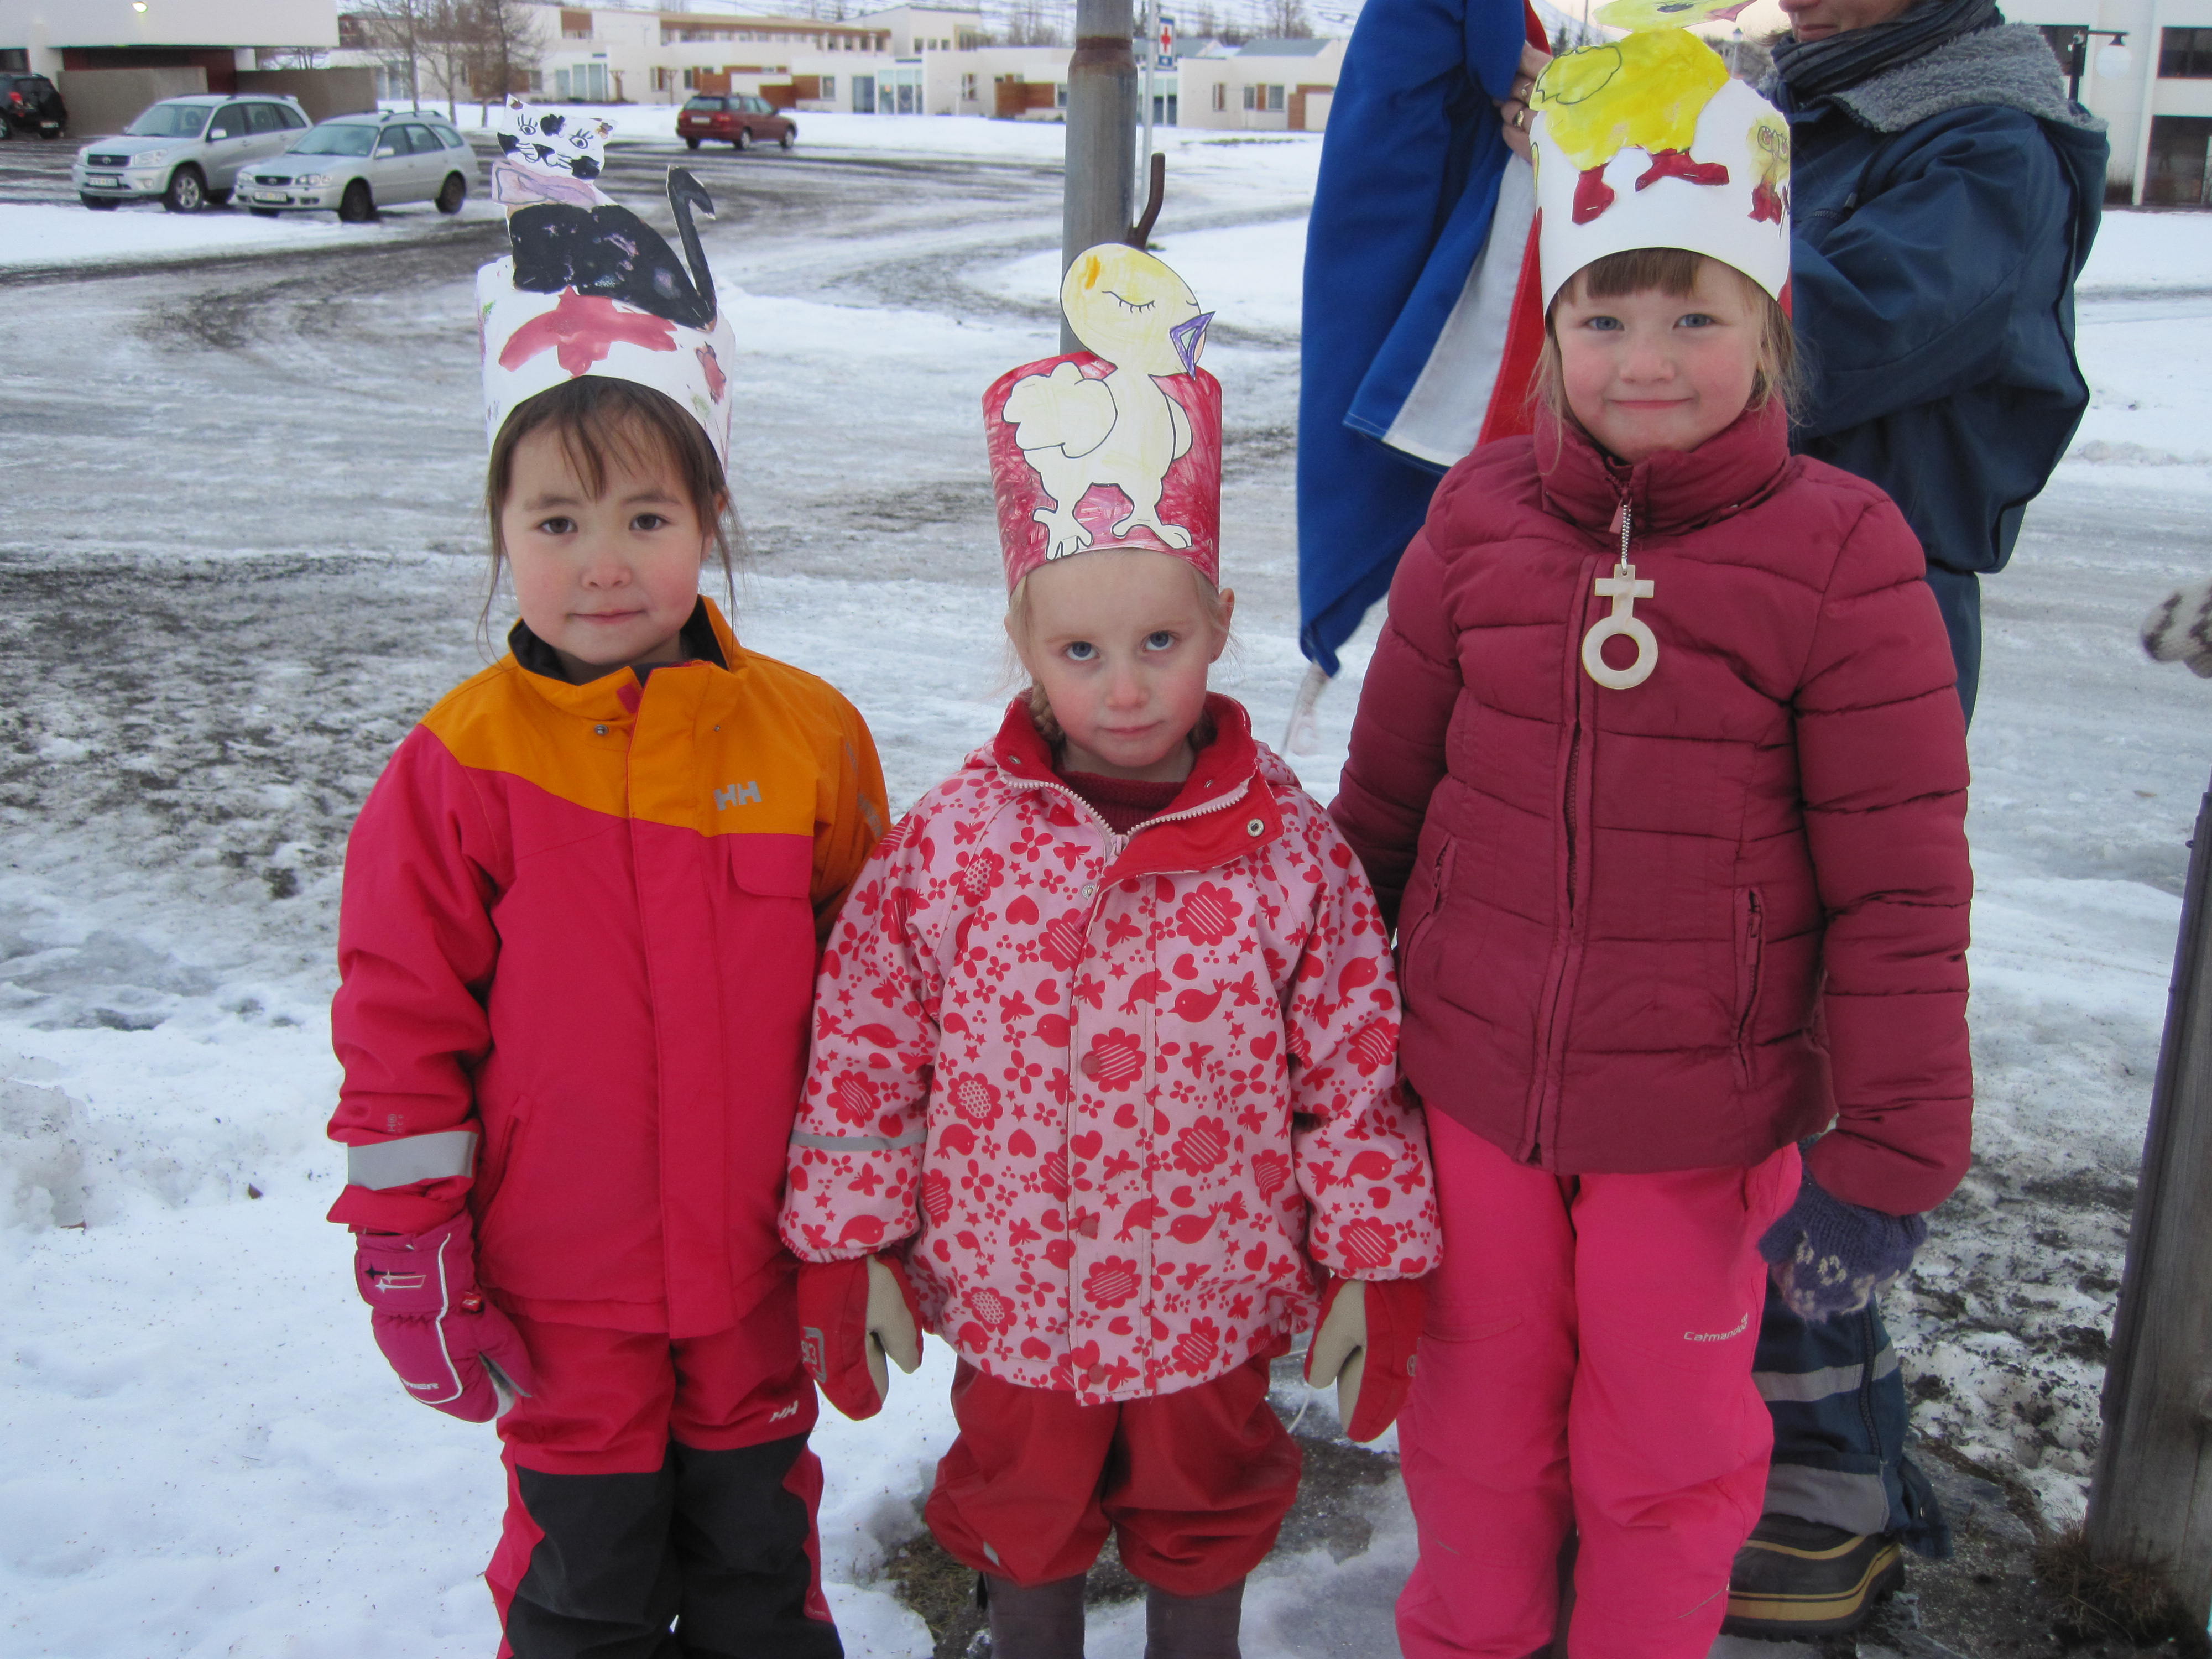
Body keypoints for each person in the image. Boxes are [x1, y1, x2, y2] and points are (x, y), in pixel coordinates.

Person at [1332, 27, 1974, 1656]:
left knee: (1665, 1459)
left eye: (1697, 317)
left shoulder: (1843, 555)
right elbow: (1383, 809)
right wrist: (1318, 1054)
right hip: (1471, 1096)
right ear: (1551, 329)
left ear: (1771, 331)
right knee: (1477, 1434)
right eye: (1604, 316)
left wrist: (1889, 1159)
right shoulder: (1476, 518)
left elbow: (1900, 887)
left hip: (1699, 1120)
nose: (1647, 360)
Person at [1490, 0, 2107, 1629]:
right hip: (1689, 598)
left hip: (1850, 623)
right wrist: (1629, 174)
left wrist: (1636, 208)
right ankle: (1653, 1440)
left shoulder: (1986, 134)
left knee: (1799, 1051)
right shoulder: (1813, 101)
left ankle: (1813, 1484)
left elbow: (1830, 328)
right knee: (1663, 1046)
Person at [779, 243, 1442, 1659]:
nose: (1125, 687)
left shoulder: (1287, 852)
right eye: (1080, 652)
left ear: (1217, 628)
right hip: (1015, 1301)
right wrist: (849, 1243)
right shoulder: (953, 846)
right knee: (1020, 1512)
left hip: (1210, 1302)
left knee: (1206, 1509)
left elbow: (1353, 1076)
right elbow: (867, 1055)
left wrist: (1373, 1261)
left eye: (1158, 642)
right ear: (1024, 644)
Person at [325, 110, 886, 1657]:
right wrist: (410, 1244)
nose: (604, 562)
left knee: (763, 1577)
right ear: (501, 533)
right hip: (558, 1293)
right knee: (587, 1592)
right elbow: (399, 1024)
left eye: (647, 517)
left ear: (711, 521)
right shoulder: (458, 768)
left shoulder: (807, 739)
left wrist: (875, 1214)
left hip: (758, 1273)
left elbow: (878, 1004)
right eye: (557, 522)